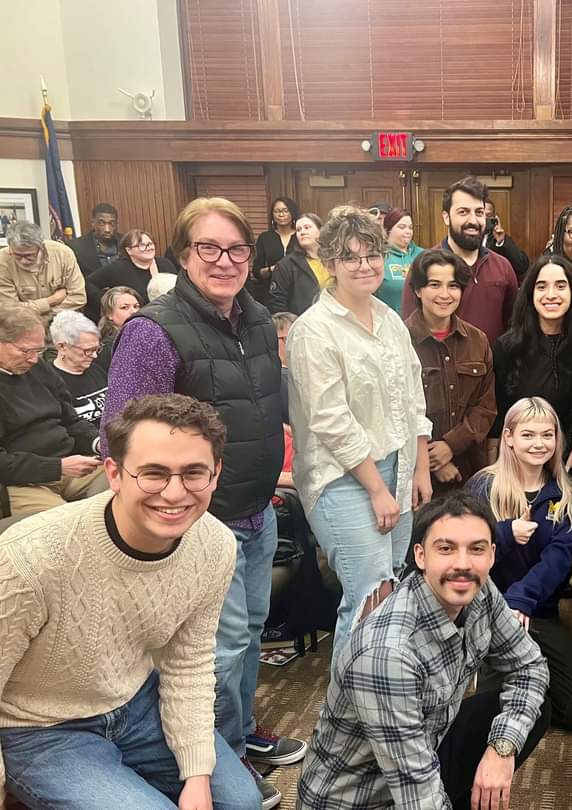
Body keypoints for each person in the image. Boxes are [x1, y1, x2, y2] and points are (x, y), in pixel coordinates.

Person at [100, 197, 301, 809]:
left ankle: (237, 736)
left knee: (250, 636)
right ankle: (215, 756)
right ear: (184, 256)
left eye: (237, 249)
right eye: (208, 249)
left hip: (256, 510)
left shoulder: (261, 320)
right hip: (195, 525)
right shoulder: (153, 331)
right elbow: (121, 430)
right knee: (215, 650)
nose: (224, 261)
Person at [0, 393, 261, 810]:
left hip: (137, 703)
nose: (175, 494)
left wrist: (195, 775)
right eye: (153, 473)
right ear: (115, 473)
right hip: (40, 727)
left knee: (240, 802)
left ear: (216, 474)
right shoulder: (30, 557)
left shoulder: (214, 545)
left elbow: (189, 662)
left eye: (194, 473)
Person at [296, 493, 550, 810]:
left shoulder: (479, 589)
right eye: (445, 548)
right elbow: (418, 799)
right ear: (420, 556)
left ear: (492, 555)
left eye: (476, 549)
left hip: (421, 752)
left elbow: (530, 667)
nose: (462, 564)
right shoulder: (388, 654)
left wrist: (502, 747)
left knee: (531, 713)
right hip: (360, 799)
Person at [287, 206, 433, 662]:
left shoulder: (389, 319)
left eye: (372, 254)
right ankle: (349, 718)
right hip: (343, 478)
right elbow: (331, 422)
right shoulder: (314, 330)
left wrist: (418, 467)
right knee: (370, 596)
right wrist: (376, 489)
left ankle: (379, 698)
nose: (365, 265)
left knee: (391, 588)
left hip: (398, 466)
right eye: (351, 257)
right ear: (330, 264)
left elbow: (413, 397)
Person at [467, 396, 572, 736]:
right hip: (490, 614)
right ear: (508, 437)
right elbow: (467, 554)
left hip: (539, 613)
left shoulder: (568, 498)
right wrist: (505, 534)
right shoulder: (483, 487)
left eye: (547, 435)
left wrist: (522, 598)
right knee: (486, 718)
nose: (539, 444)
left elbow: (558, 562)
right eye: (528, 435)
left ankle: (536, 696)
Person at [405, 248, 496, 494]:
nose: (445, 295)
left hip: (469, 470)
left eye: (453, 286)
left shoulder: (477, 340)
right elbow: (395, 411)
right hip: (414, 477)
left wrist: (450, 446)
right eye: (435, 284)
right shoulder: (399, 340)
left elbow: (486, 407)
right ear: (418, 290)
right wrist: (431, 460)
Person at [0, 307, 104, 517]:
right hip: (23, 482)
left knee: (130, 481)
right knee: (64, 524)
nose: (34, 359)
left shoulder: (40, 369)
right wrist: (57, 467)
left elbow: (71, 421)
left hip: (71, 462)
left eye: (39, 351)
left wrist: (100, 443)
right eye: (25, 351)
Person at [491, 255, 572, 467]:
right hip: (521, 462)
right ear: (530, 294)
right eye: (542, 287)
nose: (551, 295)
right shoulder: (507, 347)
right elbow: (498, 414)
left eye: (561, 286)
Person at [400, 177, 518, 345]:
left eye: (479, 212)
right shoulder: (423, 265)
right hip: (439, 368)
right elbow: (410, 329)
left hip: (492, 368)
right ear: (446, 217)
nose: (473, 220)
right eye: (463, 212)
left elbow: (514, 326)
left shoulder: (503, 267)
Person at [0, 221, 86, 325]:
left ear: (41, 247)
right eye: (17, 255)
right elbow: (10, 310)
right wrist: (51, 300)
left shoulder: (63, 254)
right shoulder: (3, 260)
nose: (23, 261)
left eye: (28, 255)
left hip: (64, 321)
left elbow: (79, 298)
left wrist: (44, 317)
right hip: (23, 325)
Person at [86, 229, 178, 318]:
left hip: (168, 316)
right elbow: (89, 283)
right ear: (129, 250)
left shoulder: (165, 264)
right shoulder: (117, 268)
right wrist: (108, 301)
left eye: (150, 244)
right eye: (141, 245)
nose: (148, 248)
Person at [50, 310, 109, 427]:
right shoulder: (50, 381)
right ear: (62, 347)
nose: (94, 355)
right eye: (88, 350)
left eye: (97, 348)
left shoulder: (97, 369)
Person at [268, 213, 325, 316]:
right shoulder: (286, 265)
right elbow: (277, 304)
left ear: (320, 231)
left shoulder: (334, 260)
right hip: (303, 326)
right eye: (298, 230)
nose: (302, 232)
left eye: (307, 228)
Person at [250, 196, 301, 305]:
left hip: (298, 291)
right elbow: (256, 271)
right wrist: (272, 269)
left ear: (292, 213)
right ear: (272, 215)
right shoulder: (265, 238)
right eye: (277, 211)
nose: (281, 215)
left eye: (285, 211)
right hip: (271, 292)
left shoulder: (301, 236)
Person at [378, 208, 423, 313]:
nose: (408, 231)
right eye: (401, 227)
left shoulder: (423, 255)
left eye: (410, 227)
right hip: (390, 322)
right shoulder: (379, 257)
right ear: (388, 230)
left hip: (420, 323)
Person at [68, 202, 120, 277]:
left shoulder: (127, 243)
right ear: (93, 223)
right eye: (102, 223)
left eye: (111, 223)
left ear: (116, 224)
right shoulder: (76, 247)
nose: (107, 229)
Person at [483, 200, 529, 279]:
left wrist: (501, 242)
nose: (484, 219)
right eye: (480, 214)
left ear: (494, 218)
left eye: (488, 215)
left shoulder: (499, 238)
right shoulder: (465, 238)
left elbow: (522, 266)